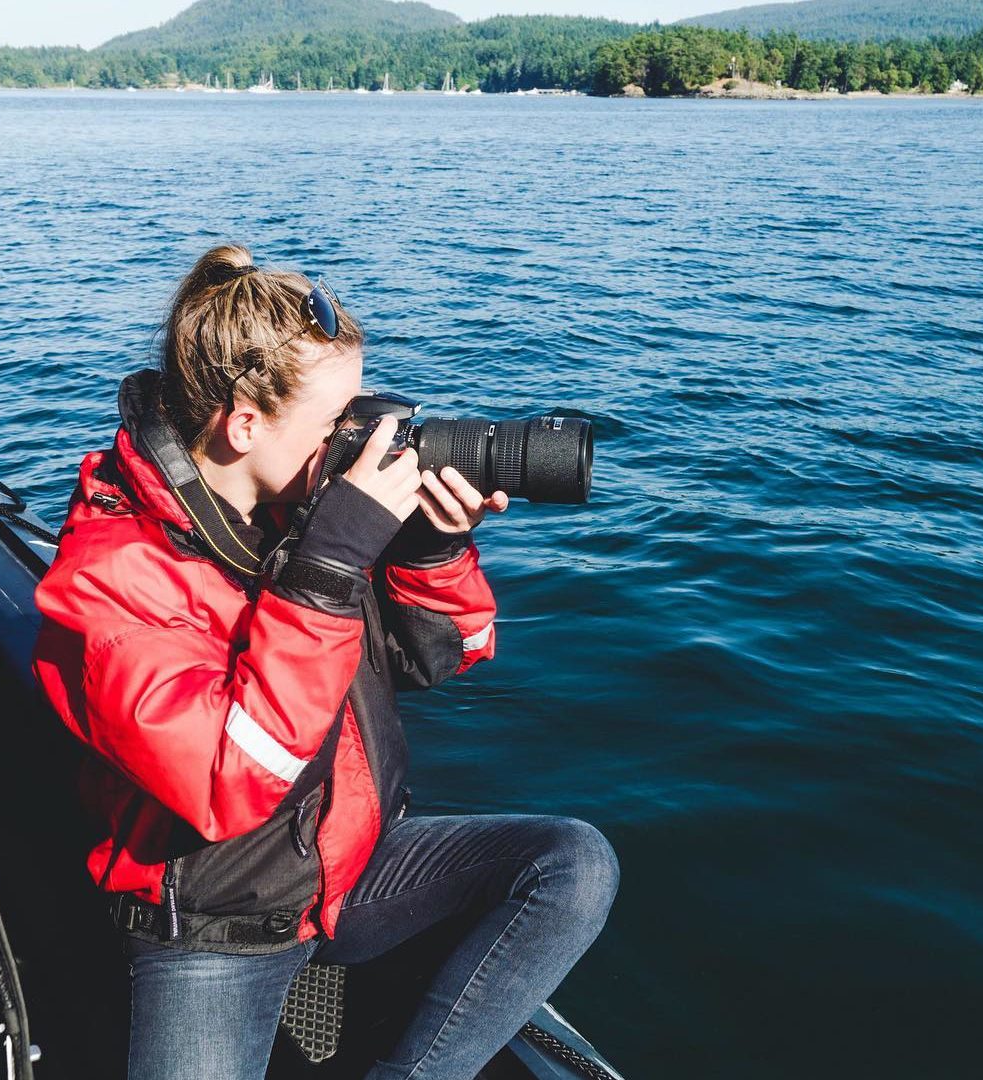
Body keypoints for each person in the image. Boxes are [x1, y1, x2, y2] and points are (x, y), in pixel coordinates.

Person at [32, 244, 620, 1080]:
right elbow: (230, 778)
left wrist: (428, 547)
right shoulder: (114, 576)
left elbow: (436, 661)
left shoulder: (292, 510)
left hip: (347, 873)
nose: (356, 440)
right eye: (335, 422)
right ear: (244, 424)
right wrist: (330, 564)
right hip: (212, 930)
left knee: (573, 864)